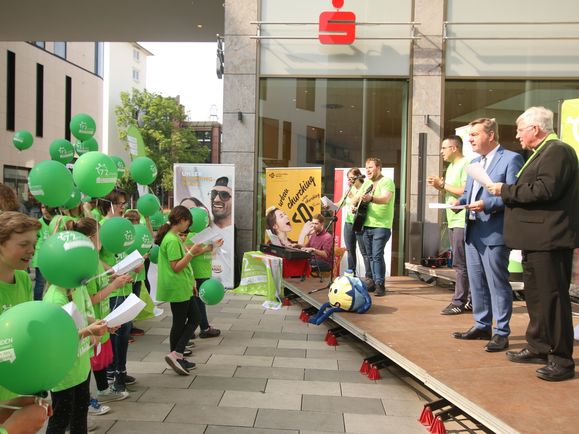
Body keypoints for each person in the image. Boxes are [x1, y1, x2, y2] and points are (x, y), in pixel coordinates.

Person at [487, 107, 578, 381]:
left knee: (553, 299)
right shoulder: (543, 153)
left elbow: (545, 190)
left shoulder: (558, 151)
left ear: (535, 129)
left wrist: (505, 190)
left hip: (550, 239)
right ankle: (538, 346)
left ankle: (562, 360)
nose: (517, 135)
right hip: (537, 239)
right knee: (537, 298)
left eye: (519, 130)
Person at [452, 118, 524, 352]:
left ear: (491, 135)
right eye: (469, 135)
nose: (470, 139)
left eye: (474, 134)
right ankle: (482, 325)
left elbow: (513, 195)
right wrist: (459, 202)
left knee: (497, 284)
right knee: (477, 283)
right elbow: (469, 194)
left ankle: (501, 332)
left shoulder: (511, 159)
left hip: (494, 232)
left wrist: (487, 204)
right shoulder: (474, 162)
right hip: (473, 232)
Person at [43, 222, 110, 433]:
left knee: (80, 416)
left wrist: (98, 324)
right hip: (64, 372)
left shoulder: (77, 287)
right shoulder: (55, 298)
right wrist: (90, 331)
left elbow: (85, 314)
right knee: (60, 419)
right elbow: (59, 338)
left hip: (81, 365)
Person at [72, 218, 131, 404]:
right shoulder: (86, 263)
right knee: (91, 361)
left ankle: (103, 389)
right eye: (100, 235)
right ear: (91, 237)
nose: (103, 240)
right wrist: (114, 286)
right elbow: (91, 298)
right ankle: (88, 399)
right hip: (91, 320)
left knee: (98, 360)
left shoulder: (94, 259)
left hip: (99, 318)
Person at [155, 205, 204, 375]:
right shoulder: (172, 240)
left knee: (188, 319)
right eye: (187, 223)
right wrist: (192, 252)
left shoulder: (172, 237)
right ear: (182, 220)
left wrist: (191, 282)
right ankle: (176, 354)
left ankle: (177, 355)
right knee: (186, 320)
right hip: (177, 287)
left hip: (181, 286)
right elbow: (176, 267)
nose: (187, 227)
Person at [97, 188, 136, 392]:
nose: (123, 207)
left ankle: (120, 369)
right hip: (110, 288)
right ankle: (115, 373)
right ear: (109, 204)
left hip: (125, 284)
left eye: (124, 204)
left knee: (124, 331)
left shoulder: (122, 226)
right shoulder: (101, 227)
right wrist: (112, 272)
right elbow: (95, 255)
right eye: (120, 204)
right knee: (117, 332)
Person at [0, 212, 41, 404]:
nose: (32, 250)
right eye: (24, 245)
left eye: (33, 244)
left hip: (18, 390)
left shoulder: (23, 278)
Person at [428, 136, 471, 315]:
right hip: (454, 220)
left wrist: (443, 184)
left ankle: (459, 301)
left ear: (454, 148)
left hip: (463, 220)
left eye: (444, 148)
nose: (441, 152)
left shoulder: (466, 164)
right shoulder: (451, 166)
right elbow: (452, 189)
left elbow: (465, 190)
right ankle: (468, 300)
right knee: (461, 263)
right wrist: (440, 186)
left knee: (461, 263)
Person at [354, 157, 395, 297]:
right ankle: (371, 282)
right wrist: (355, 205)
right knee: (370, 256)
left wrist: (371, 199)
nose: (368, 170)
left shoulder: (386, 181)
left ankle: (380, 284)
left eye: (370, 167)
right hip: (366, 224)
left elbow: (386, 199)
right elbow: (355, 199)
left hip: (381, 226)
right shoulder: (366, 183)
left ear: (378, 167)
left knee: (377, 255)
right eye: (366, 168)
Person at [340, 169, 369, 277]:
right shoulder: (349, 190)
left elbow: (364, 204)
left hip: (360, 222)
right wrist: (330, 205)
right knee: (350, 250)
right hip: (348, 223)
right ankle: (351, 274)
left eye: (352, 178)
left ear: (358, 177)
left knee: (364, 250)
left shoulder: (365, 188)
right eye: (348, 178)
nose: (350, 180)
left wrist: (355, 203)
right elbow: (341, 203)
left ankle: (369, 276)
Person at [31, 205, 55, 300]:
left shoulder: (57, 222)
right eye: (42, 207)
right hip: (41, 257)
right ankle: (37, 304)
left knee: (53, 282)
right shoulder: (38, 223)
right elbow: (34, 239)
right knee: (40, 283)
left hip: (54, 256)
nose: (44, 210)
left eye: (46, 207)